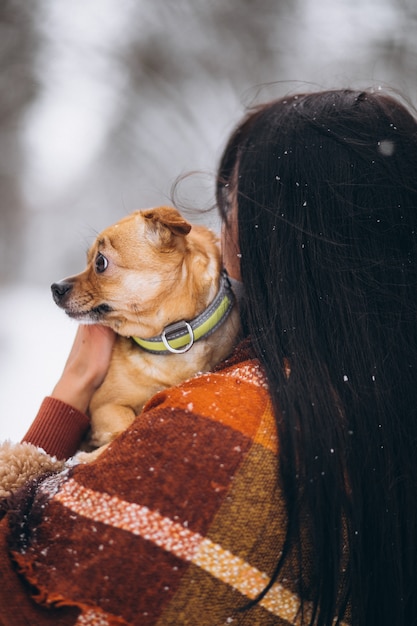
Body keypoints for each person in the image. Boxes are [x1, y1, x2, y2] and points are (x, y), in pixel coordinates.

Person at [1, 87, 417, 625]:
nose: (216, 234)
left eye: (234, 205)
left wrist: (69, 395)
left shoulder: (208, 437)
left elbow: (18, 589)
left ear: (286, 236)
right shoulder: (379, 394)